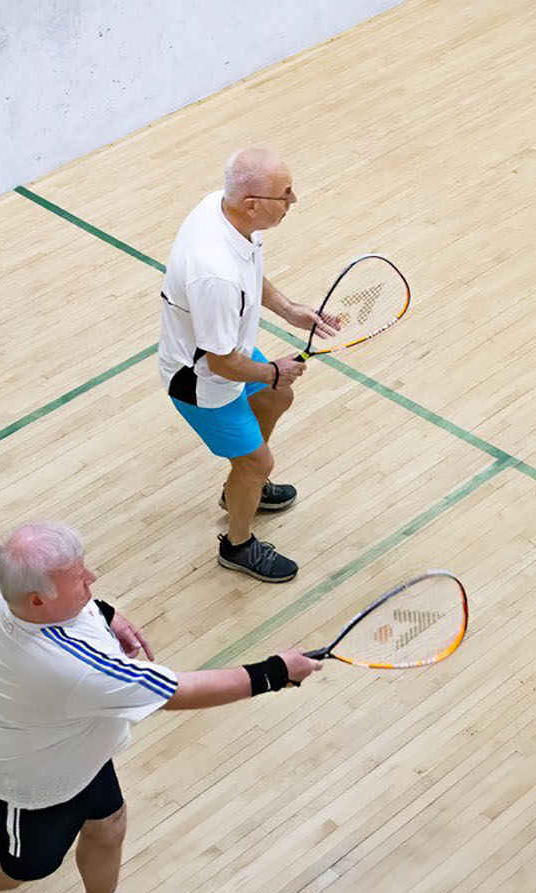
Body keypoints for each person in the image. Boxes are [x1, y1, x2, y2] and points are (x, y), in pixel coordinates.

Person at [0, 521, 323, 893]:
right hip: (27, 784)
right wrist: (274, 673)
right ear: (38, 599)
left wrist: (108, 616)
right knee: (22, 869)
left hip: (81, 757)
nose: (93, 579)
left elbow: (79, 608)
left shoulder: (6, 588)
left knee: (108, 826)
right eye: (79, 579)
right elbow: (181, 691)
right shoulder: (74, 670)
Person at [158, 147, 339, 583]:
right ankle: (237, 545)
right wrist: (271, 369)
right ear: (253, 204)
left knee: (279, 396)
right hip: (200, 380)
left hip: (226, 352)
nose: (293, 200)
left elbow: (251, 270)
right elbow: (221, 363)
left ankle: (244, 485)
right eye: (285, 194)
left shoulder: (222, 210)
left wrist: (290, 309)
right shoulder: (213, 273)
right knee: (260, 461)